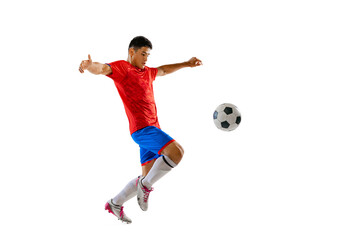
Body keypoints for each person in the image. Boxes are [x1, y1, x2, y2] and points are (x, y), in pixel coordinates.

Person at [79, 36, 202, 224]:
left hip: (153, 127)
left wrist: (187, 63)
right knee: (177, 152)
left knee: (149, 174)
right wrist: (89, 66)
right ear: (132, 52)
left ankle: (115, 203)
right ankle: (145, 186)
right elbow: (103, 68)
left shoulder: (147, 72)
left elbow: (163, 70)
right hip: (142, 129)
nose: (146, 58)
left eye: (148, 55)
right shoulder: (123, 68)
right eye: (143, 53)